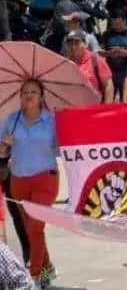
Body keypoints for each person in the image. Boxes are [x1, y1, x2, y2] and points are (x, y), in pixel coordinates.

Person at [0, 80, 59, 288]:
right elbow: (1, 152)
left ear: (42, 97)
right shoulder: (11, 120)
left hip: (46, 179)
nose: (29, 95)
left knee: (35, 227)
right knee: (31, 230)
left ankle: (33, 277)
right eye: (25, 92)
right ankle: (46, 271)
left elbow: (65, 148)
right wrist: (4, 146)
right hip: (18, 181)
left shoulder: (52, 121)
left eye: (34, 92)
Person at [66, 30, 114, 104]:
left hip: (93, 107)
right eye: (70, 44)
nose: (73, 47)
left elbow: (108, 85)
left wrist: (107, 107)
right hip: (72, 106)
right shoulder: (65, 62)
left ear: (85, 44)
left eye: (77, 43)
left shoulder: (95, 60)